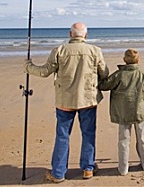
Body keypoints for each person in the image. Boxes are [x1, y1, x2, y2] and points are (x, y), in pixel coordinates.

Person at [24, 22, 109, 183]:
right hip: (88, 100)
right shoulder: (95, 51)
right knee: (88, 134)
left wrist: (28, 66)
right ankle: (88, 169)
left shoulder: (59, 50)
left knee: (63, 136)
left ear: (70, 34)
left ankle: (58, 173)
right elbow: (104, 73)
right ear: (86, 35)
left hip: (65, 101)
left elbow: (44, 71)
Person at [99, 48, 144, 176]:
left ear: (125, 60)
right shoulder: (142, 73)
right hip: (139, 111)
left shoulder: (119, 74)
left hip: (122, 112)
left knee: (123, 140)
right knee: (142, 138)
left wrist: (100, 75)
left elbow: (104, 85)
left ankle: (123, 168)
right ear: (138, 60)